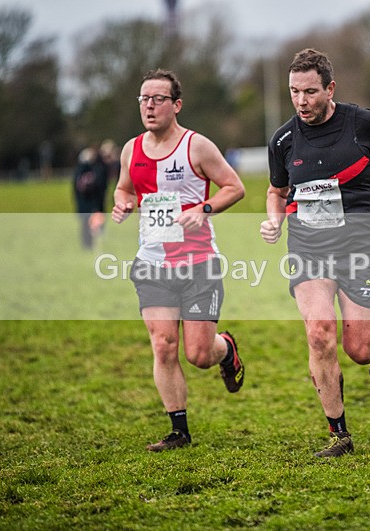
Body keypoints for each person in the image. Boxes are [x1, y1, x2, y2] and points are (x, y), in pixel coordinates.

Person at [260, 49, 370, 457]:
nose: (301, 101)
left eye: (310, 91)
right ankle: (338, 434)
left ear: (330, 88)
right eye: (294, 92)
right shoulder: (283, 139)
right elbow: (276, 192)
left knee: (359, 350)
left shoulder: (364, 123)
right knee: (318, 334)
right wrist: (274, 220)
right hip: (309, 247)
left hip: (359, 246)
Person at [111, 69, 246, 452]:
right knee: (164, 345)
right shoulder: (130, 150)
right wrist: (122, 202)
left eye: (158, 99)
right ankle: (178, 431)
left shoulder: (197, 146)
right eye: (143, 99)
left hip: (198, 261)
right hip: (152, 262)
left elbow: (234, 188)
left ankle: (227, 349)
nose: (149, 106)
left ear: (177, 105)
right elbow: (124, 187)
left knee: (199, 355)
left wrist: (203, 209)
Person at [73, 146, 108, 249]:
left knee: (91, 225)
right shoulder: (94, 170)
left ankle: (90, 245)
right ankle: (89, 245)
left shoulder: (83, 171)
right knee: (89, 225)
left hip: (88, 204)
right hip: (90, 204)